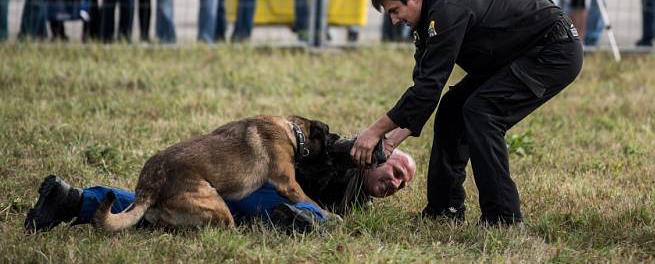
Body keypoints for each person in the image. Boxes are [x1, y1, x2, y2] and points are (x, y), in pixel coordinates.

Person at [352, 0, 583, 225]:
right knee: (452, 109)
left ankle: (503, 217)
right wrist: (390, 141)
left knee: (482, 112)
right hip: (514, 55)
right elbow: (425, 91)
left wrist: (373, 132)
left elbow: (426, 90)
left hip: (552, 50)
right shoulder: (428, 12)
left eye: (395, 10)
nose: (394, 20)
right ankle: (444, 210)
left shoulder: (447, 9)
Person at [24, 147, 416, 233]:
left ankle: (73, 198)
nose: (396, 184)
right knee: (320, 218)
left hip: (229, 194)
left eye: (402, 185)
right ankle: (296, 220)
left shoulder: (359, 195)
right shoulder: (345, 153)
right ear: (379, 155)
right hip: (255, 190)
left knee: (157, 212)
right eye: (396, 170)